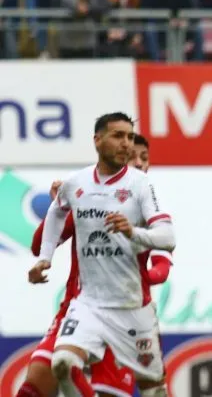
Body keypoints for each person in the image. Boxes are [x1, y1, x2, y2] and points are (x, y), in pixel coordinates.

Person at [28, 113, 175, 397]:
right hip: (86, 304)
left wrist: (133, 234)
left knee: (153, 390)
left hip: (132, 308)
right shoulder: (79, 184)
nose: (128, 148)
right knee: (61, 365)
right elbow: (54, 218)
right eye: (120, 137)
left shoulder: (142, 189)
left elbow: (167, 244)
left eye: (130, 139)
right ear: (97, 140)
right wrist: (44, 258)